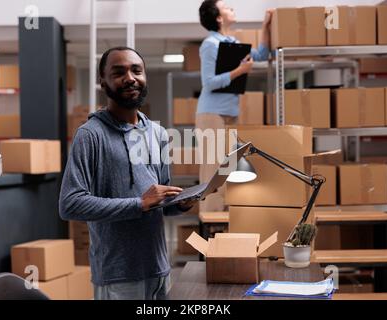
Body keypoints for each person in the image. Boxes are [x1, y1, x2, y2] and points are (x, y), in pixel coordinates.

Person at [59, 47, 194, 300]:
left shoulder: (158, 134)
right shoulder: (90, 135)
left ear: (145, 77)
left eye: (136, 70)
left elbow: (160, 203)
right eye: (118, 72)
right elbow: (70, 204)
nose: (130, 78)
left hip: (159, 270)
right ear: (103, 81)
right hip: (117, 276)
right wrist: (139, 203)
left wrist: (182, 203)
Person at [196, 0, 272, 211]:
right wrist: (240, 70)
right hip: (211, 113)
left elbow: (262, 55)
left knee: (230, 168)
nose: (232, 9)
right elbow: (209, 82)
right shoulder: (210, 44)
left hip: (230, 112)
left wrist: (265, 25)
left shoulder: (231, 42)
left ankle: (225, 220)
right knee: (213, 170)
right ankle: (211, 221)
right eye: (227, 7)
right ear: (219, 17)